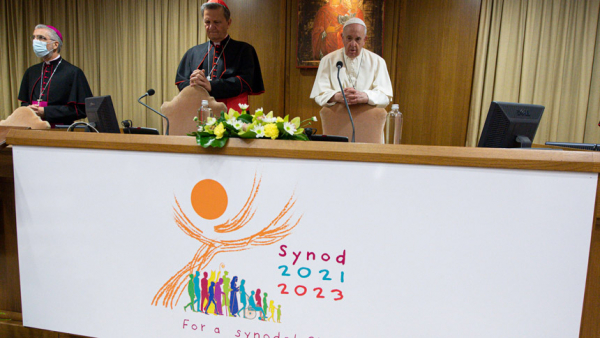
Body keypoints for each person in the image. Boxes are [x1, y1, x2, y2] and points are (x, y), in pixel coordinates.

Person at [175, 0, 264, 111]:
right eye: (207, 22)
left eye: (217, 22)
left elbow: (245, 81)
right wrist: (195, 83)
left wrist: (212, 86)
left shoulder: (244, 50)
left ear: (228, 23)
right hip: (198, 113)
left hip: (231, 115)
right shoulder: (193, 52)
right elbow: (181, 81)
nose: (211, 26)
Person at [18, 24, 93, 126]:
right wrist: (28, 109)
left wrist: (46, 112)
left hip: (60, 131)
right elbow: (24, 103)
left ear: (55, 45)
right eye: (34, 37)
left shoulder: (73, 72)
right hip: (32, 129)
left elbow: (81, 110)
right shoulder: (31, 71)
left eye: (41, 38)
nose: (35, 41)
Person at [310, 18, 393, 108]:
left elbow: (385, 96)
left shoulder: (377, 61)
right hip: (336, 117)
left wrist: (366, 96)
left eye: (358, 39)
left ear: (364, 39)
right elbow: (319, 94)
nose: (353, 44)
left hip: (367, 118)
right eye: (349, 38)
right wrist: (336, 96)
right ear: (342, 37)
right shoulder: (327, 60)